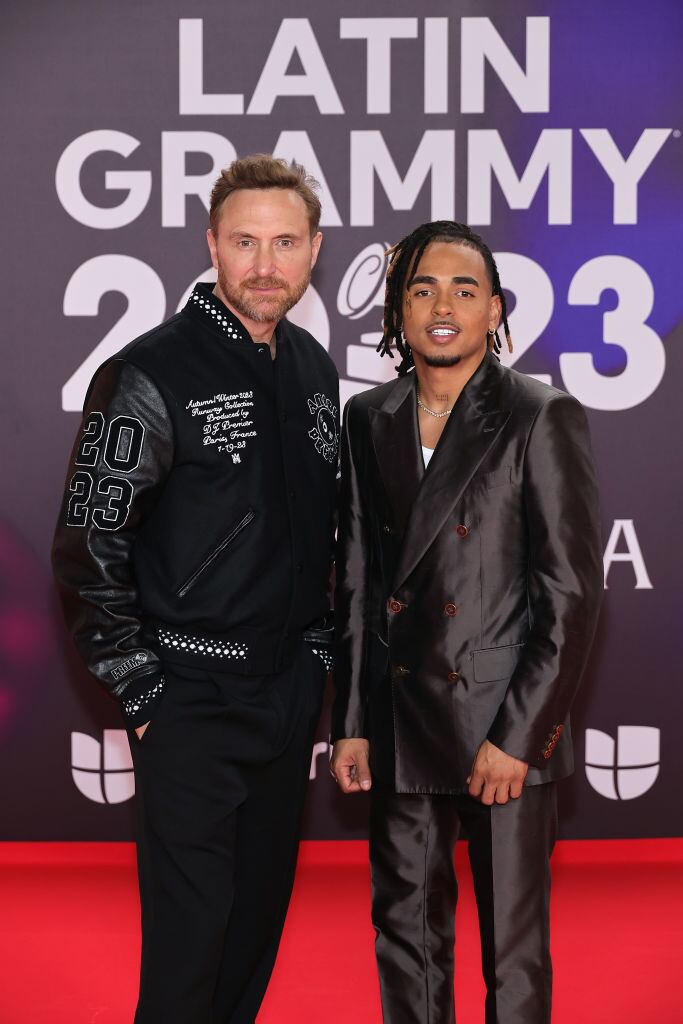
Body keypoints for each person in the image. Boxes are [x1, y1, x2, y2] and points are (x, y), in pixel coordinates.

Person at [52, 154, 339, 1024]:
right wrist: (143, 690)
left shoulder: (313, 369)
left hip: (289, 694)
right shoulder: (150, 372)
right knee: (189, 946)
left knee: (253, 932)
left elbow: (322, 531)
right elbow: (88, 541)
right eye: (245, 241)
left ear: (314, 251)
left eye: (284, 242)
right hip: (189, 699)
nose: (265, 263)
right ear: (211, 244)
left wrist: (320, 657)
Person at [331, 221, 602, 1024]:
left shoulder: (539, 415)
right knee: (404, 937)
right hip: (401, 717)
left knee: (511, 953)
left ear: (493, 311)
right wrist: (350, 722)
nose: (440, 306)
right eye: (421, 290)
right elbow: (354, 581)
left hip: (500, 729)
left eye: (462, 290)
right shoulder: (366, 416)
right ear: (396, 312)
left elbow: (570, 594)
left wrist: (520, 738)